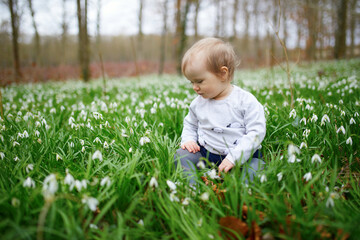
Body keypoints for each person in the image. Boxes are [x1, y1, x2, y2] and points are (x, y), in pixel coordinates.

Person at [174, 37, 266, 185]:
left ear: (223, 74)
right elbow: (190, 124)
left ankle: (242, 193)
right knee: (181, 156)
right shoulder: (198, 104)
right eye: (191, 82)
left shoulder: (245, 101)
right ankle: (192, 188)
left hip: (243, 158)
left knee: (256, 168)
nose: (194, 87)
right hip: (207, 155)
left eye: (199, 81)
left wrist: (234, 158)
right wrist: (189, 140)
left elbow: (256, 132)